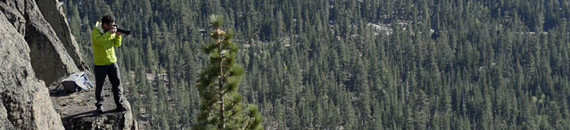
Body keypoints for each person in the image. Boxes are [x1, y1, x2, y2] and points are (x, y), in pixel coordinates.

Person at [92, 14, 127, 113]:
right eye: (110, 25)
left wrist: (118, 37)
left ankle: (119, 104)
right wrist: (110, 34)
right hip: (100, 64)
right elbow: (100, 42)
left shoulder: (109, 31)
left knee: (117, 84)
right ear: (104, 25)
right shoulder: (96, 32)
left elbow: (117, 44)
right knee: (100, 85)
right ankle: (100, 105)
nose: (112, 27)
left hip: (112, 62)